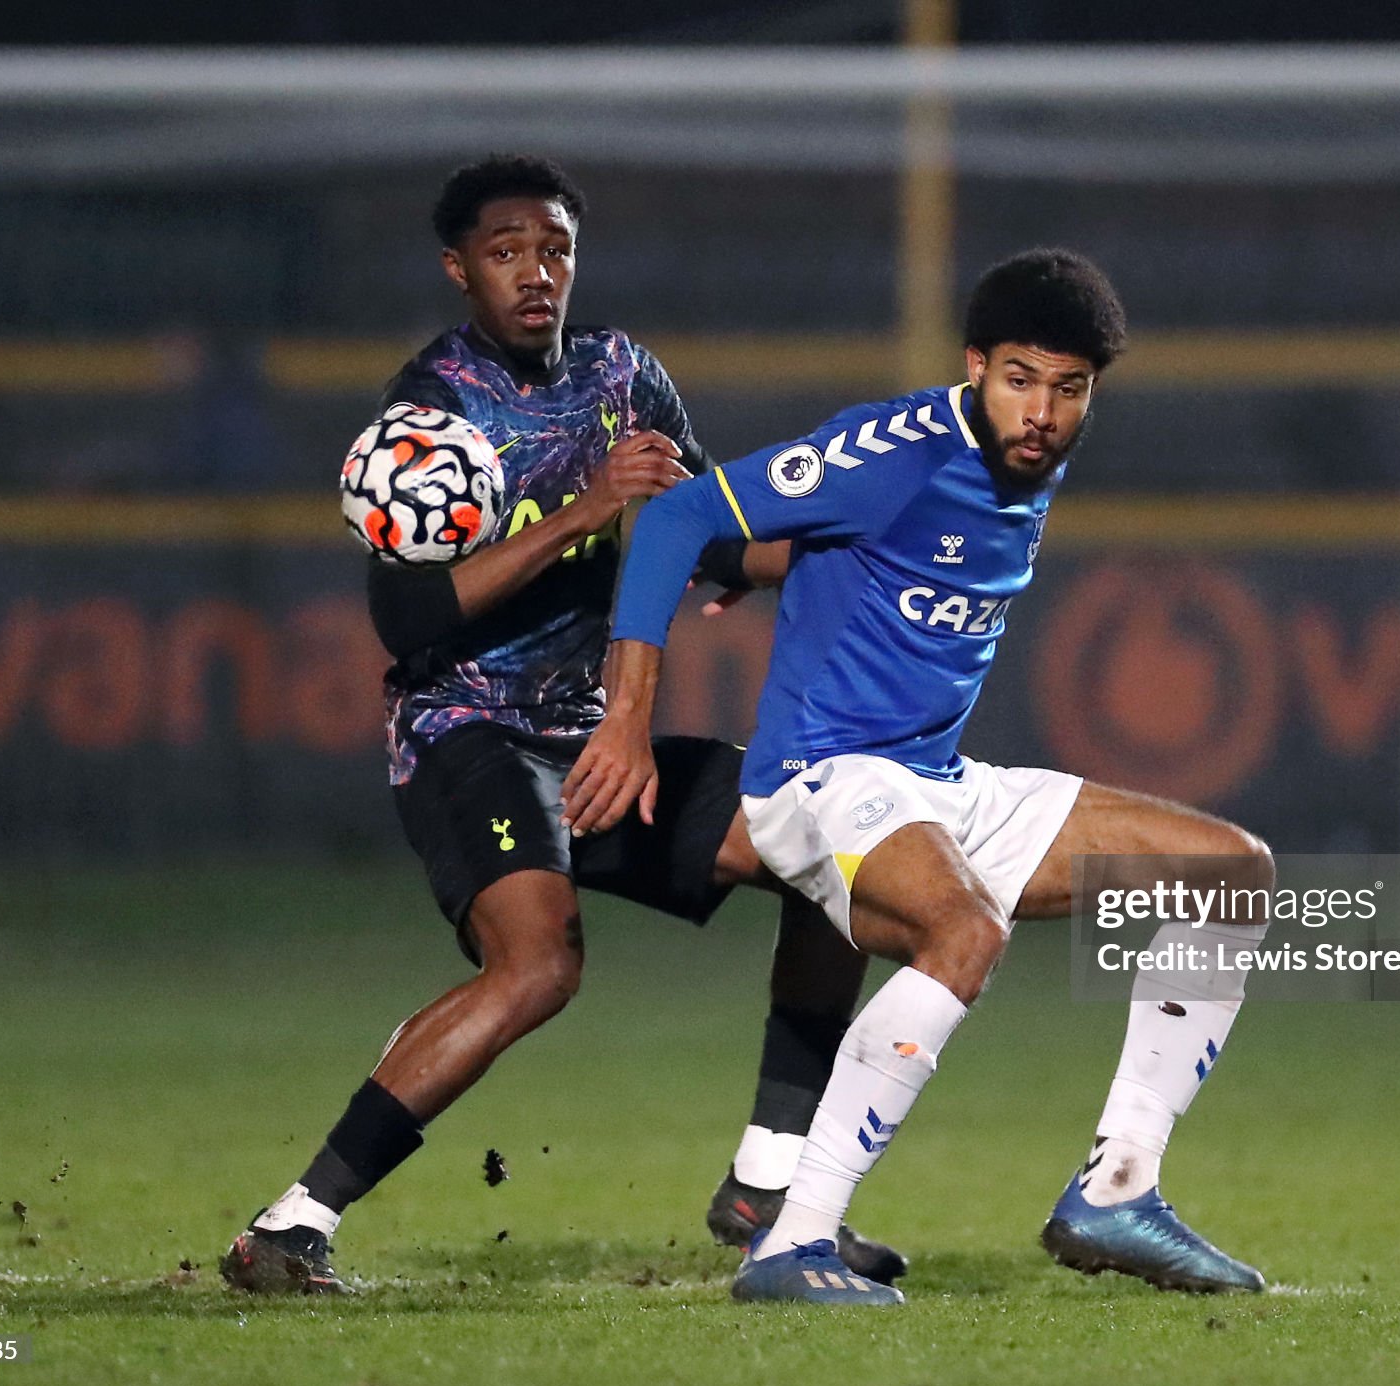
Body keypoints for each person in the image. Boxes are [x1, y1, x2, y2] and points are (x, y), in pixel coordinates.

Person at [220, 155, 902, 1294]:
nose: (535, 274)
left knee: (834, 856)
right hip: (462, 730)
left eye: (554, 250)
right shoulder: (428, 410)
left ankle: (766, 1183)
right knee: (537, 965)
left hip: (589, 742)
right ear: (458, 268)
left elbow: (708, 526)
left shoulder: (623, 372)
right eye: (505, 252)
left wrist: (837, 550)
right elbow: (408, 615)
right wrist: (588, 510)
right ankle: (292, 1223)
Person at [566, 248, 1275, 1305]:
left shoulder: (1030, 460)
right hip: (819, 778)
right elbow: (674, 515)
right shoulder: (896, 445)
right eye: (1019, 379)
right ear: (974, 365)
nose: (1040, 411)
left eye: (1068, 388)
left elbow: (836, 558)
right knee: (964, 928)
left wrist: (755, 567)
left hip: (932, 783)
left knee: (1230, 872)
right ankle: (790, 1240)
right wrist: (627, 720)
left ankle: (1118, 1186)